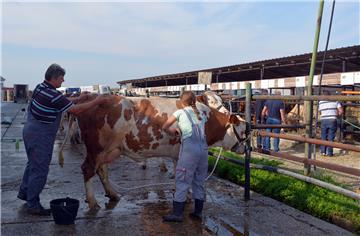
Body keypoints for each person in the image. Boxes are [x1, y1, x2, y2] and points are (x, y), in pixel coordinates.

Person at [17, 63, 111, 216]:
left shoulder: (41, 88)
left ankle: (25, 193)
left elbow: (61, 100)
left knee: (32, 164)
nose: (63, 81)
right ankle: (33, 204)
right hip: (40, 135)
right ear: (54, 78)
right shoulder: (52, 95)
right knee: (40, 169)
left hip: (30, 131)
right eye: (61, 78)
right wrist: (96, 101)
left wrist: (79, 98)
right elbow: (75, 110)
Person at [162, 91, 208, 222]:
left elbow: (165, 127)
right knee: (199, 182)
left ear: (182, 101)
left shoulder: (179, 112)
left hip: (189, 150)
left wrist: (175, 131)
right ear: (194, 101)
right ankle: (198, 212)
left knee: (182, 181)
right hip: (203, 150)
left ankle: (177, 214)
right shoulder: (201, 114)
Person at [318, 90, 343, 157]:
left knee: (323, 136)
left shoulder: (321, 102)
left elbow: (320, 112)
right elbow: (341, 111)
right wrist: (336, 115)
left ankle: (323, 151)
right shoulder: (335, 101)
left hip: (323, 120)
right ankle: (329, 153)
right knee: (331, 136)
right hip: (332, 120)